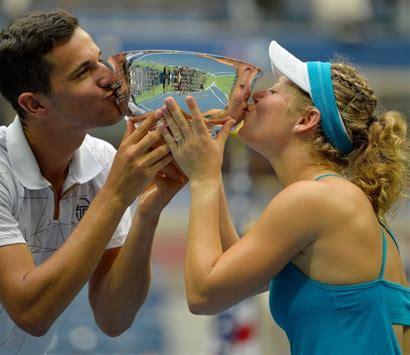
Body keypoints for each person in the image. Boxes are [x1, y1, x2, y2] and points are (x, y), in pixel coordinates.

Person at [0, 9, 186, 354]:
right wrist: (116, 194)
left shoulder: (101, 160)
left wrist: (147, 210)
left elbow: (114, 319)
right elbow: (32, 313)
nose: (109, 76)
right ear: (35, 104)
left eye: (99, 60)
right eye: (84, 71)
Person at [159, 40, 409, 354]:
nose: (258, 94)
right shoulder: (333, 197)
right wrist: (211, 158)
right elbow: (234, 270)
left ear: (307, 120)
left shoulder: (314, 199)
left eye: (274, 91)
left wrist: (204, 177)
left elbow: (203, 294)